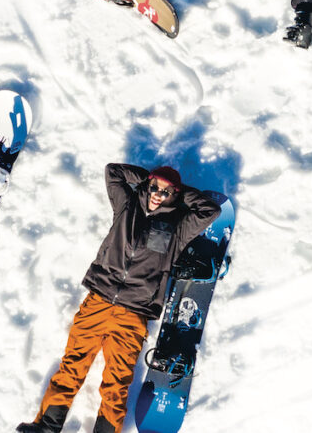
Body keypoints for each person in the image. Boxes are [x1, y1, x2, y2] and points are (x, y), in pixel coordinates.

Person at [17, 164, 220, 433]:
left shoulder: (178, 227)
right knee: (72, 366)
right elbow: (113, 172)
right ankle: (47, 427)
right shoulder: (127, 207)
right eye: (154, 187)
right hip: (98, 300)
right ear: (146, 185)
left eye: (167, 192)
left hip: (133, 313)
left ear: (176, 194)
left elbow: (210, 210)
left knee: (116, 383)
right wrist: (150, 179)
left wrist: (179, 193)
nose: (159, 194)